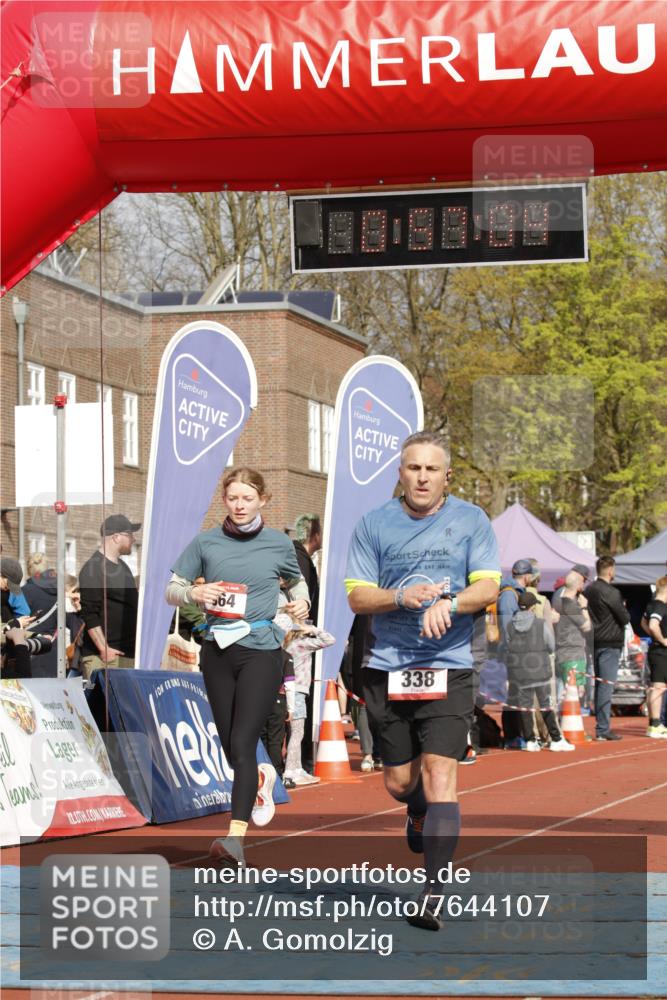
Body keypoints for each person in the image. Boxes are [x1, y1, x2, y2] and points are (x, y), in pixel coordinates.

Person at [345, 431, 500, 930]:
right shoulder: (373, 524)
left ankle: (433, 890)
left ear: (446, 475)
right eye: (414, 468)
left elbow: (489, 585)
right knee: (400, 782)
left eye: (432, 469)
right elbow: (357, 597)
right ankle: (414, 809)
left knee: (441, 776)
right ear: (401, 472)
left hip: (448, 664)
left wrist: (449, 603)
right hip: (387, 664)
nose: (422, 477)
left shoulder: (471, 519)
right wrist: (402, 597)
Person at [166, 467, 310, 865]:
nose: (240, 505)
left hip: (261, 649)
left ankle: (235, 838)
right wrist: (194, 591)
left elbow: (297, 584)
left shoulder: (279, 544)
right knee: (231, 746)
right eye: (233, 498)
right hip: (217, 649)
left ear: (262, 500)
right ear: (224, 500)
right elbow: (171, 589)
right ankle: (261, 778)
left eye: (247, 498)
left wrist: (303, 603)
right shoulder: (206, 542)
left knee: (244, 742)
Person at [505, 591, 574, 752]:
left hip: (519, 672)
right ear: (533, 607)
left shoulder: (510, 626)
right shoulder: (540, 624)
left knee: (525, 707)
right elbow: (550, 644)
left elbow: (507, 646)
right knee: (546, 705)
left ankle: (530, 740)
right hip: (540, 671)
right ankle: (556, 738)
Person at [78, 514, 141, 679]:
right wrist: (103, 648)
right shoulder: (93, 568)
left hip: (127, 654)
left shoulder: (124, 567)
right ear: (116, 537)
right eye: (130, 535)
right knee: (102, 705)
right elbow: (89, 613)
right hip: (105, 657)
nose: (134, 540)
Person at [585, 555, 630, 741]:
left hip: (595, 640)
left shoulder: (589, 590)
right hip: (610, 642)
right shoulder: (611, 592)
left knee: (599, 684)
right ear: (610, 570)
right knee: (606, 685)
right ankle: (603, 728)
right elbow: (624, 617)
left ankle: (601, 726)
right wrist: (624, 608)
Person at [497, 558, 534, 748]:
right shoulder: (509, 595)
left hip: (515, 650)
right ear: (526, 576)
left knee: (514, 694)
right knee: (516, 694)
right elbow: (507, 624)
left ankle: (514, 735)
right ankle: (513, 735)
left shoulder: (514, 593)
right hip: (513, 652)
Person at [552, 570, 591, 706]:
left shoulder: (557, 599)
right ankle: (567, 724)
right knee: (574, 691)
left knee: (565, 690)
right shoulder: (570, 604)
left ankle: (562, 722)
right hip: (572, 651)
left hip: (562, 649)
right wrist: (584, 607)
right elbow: (586, 626)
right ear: (579, 584)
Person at [643, 576, 667, 739]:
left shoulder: (652, 604)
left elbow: (643, 623)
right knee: (658, 687)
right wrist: (662, 639)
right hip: (660, 652)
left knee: (657, 686)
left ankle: (654, 724)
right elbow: (651, 624)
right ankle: (656, 723)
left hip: (657, 650)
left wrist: (653, 636)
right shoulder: (659, 605)